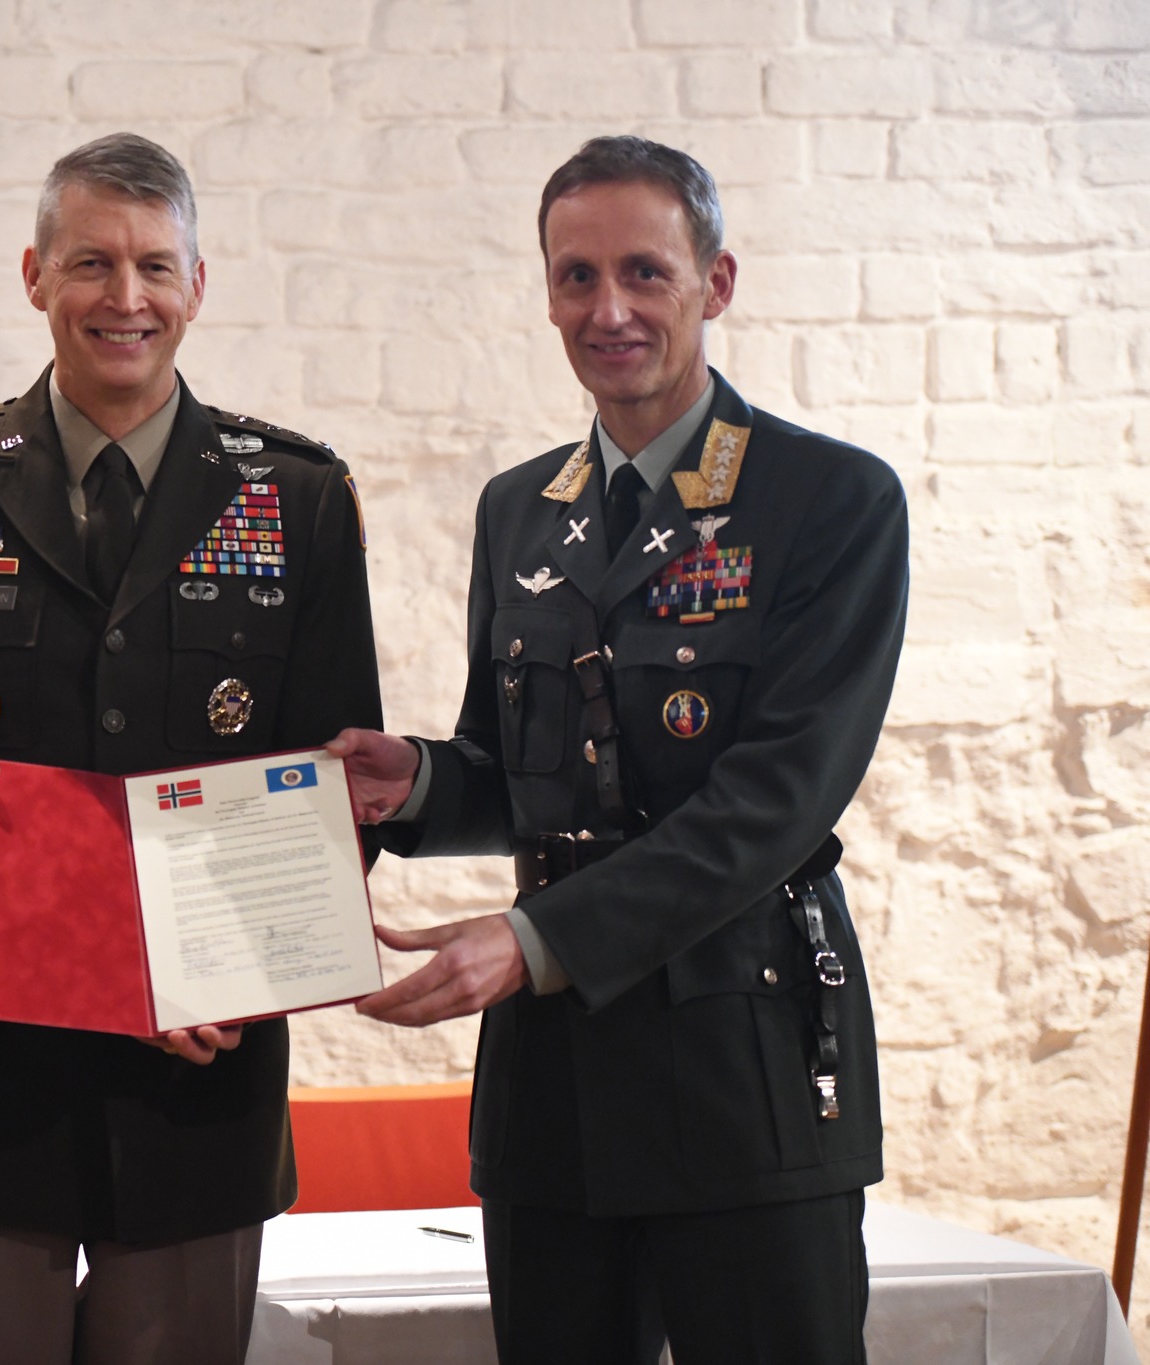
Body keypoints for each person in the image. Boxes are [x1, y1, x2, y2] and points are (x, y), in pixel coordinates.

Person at [327, 135, 907, 1363]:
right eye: (575, 277)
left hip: (741, 1062)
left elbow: (772, 805)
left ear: (714, 282)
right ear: (546, 295)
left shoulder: (827, 501)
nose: (608, 311)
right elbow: (520, 773)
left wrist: (528, 941)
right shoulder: (518, 509)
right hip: (554, 1093)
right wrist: (419, 783)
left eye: (643, 272)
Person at [0, 133, 383, 1364]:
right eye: (89, 263)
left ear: (196, 285)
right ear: (33, 276)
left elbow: (339, 783)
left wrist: (232, 973)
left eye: (153, 267)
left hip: (199, 1087)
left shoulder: (296, 498)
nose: (124, 298)